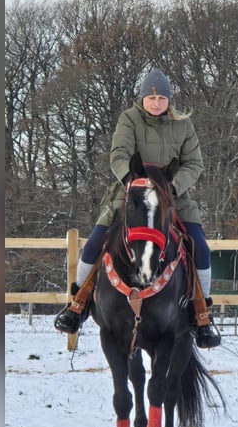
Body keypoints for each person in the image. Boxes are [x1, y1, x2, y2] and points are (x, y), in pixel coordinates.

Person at [54, 68, 221, 348]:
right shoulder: (129, 119)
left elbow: (195, 163)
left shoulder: (183, 125)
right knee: (94, 244)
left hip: (173, 198)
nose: (157, 103)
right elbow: (119, 155)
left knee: (201, 248)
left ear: (169, 100)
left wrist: (172, 187)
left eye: (162, 98)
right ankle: (78, 305)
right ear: (143, 98)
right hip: (130, 194)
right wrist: (134, 183)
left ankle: (202, 315)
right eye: (151, 97)